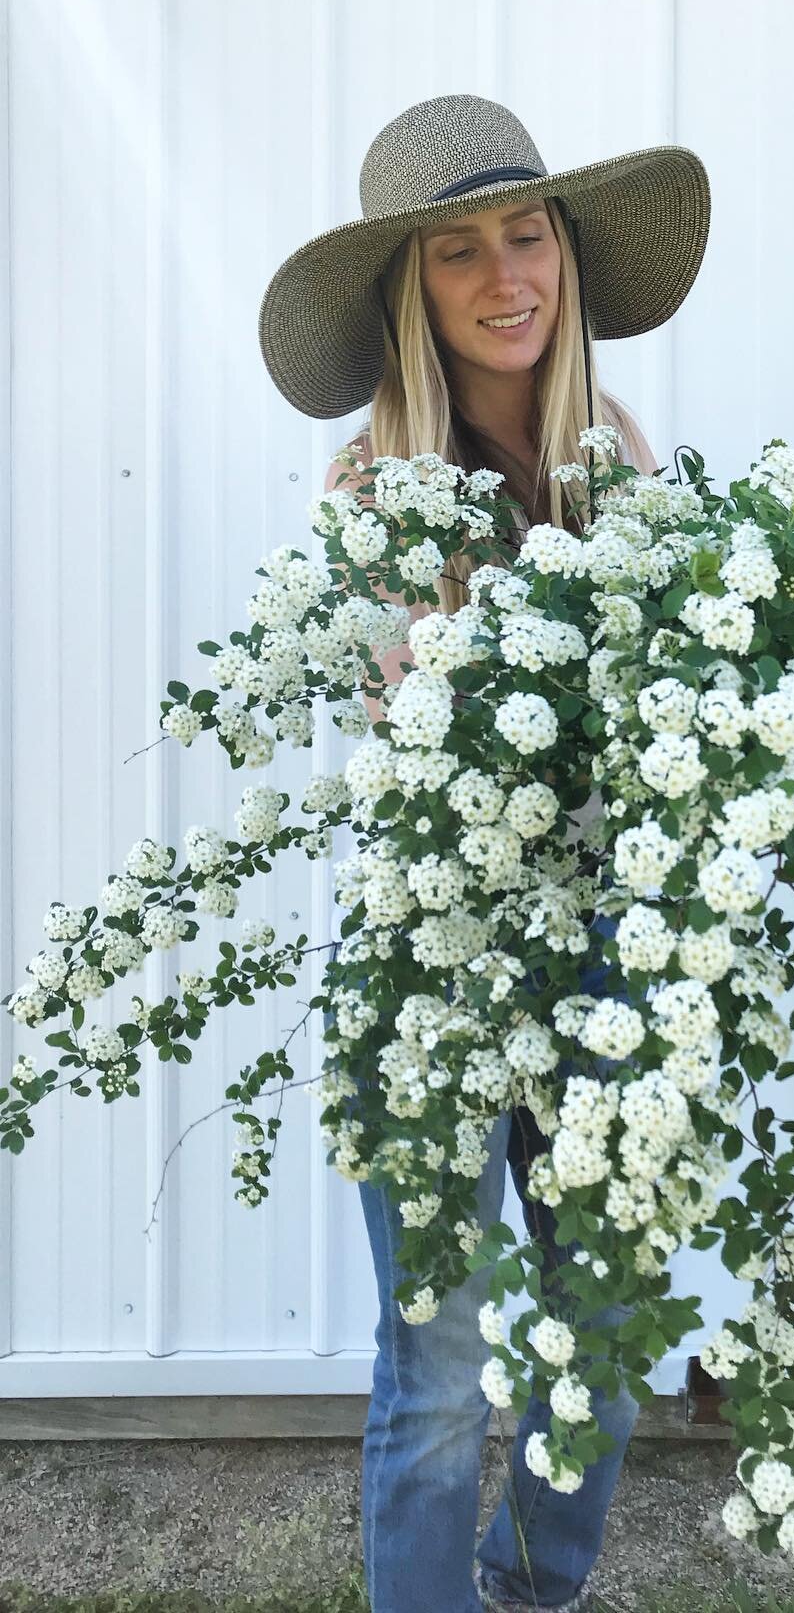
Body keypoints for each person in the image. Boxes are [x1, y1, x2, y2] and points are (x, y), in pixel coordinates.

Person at [256, 93, 711, 1613]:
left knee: (606, 1327)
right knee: (439, 1366)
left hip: (604, 964)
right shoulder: (374, 495)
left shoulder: (626, 461)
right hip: (435, 987)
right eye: (460, 254)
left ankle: (534, 1584)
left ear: (566, 256)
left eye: (528, 237)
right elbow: (427, 768)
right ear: (415, 293)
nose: (506, 277)